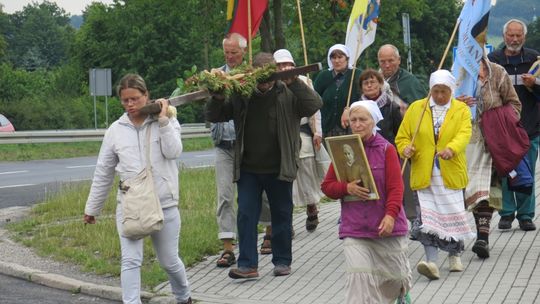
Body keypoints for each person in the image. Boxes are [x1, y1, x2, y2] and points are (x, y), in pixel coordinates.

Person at [206, 52, 322, 279]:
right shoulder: (242, 93)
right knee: (246, 215)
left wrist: (294, 82)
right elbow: (215, 115)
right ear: (252, 74)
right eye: (260, 76)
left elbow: (314, 104)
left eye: (270, 75)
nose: (265, 81)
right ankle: (248, 265)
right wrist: (218, 96)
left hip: (280, 166)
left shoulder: (287, 92)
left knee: (281, 214)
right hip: (249, 168)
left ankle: (282, 261)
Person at [83, 74, 191, 304]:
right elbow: (104, 171)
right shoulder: (115, 130)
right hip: (131, 205)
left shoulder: (168, 120)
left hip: (164, 203)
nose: (130, 105)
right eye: (125, 100)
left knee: (169, 261)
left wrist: (162, 121)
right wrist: (92, 208)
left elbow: (174, 152)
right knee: (130, 260)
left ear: (146, 95)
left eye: (135, 99)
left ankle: (184, 297)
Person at [321, 100, 411, 304]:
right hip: (355, 228)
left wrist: (390, 216)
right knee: (358, 280)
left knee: (394, 279)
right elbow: (327, 187)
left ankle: (399, 295)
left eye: (363, 119)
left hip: (386, 226)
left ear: (374, 121)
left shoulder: (386, 149)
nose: (357, 124)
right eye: (353, 120)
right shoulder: (342, 149)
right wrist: (347, 188)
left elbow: (396, 188)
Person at [395, 70, 475, 280]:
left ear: (452, 90)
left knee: (452, 214)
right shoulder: (416, 109)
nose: (439, 96)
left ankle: (454, 253)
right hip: (424, 173)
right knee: (427, 217)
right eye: (436, 91)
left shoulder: (461, 110)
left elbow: (464, 134)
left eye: (444, 91)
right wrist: (405, 149)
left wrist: (452, 148)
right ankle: (431, 261)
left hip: (450, 171)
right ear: (430, 90)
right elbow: (402, 137)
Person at [458, 58, 521, 259]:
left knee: (489, 187)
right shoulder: (458, 73)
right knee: (470, 188)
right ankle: (460, 236)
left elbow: (514, 104)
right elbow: (441, 103)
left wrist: (499, 122)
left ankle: (482, 238)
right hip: (465, 143)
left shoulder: (498, 72)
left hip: (493, 141)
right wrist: (457, 105)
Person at [488, 19, 540, 232]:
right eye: (511, 35)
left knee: (526, 173)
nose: (514, 39)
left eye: (518, 35)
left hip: (529, 127)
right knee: (504, 171)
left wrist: (535, 84)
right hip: (501, 129)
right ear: (504, 36)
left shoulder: (535, 59)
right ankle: (506, 214)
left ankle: (526, 216)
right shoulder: (493, 60)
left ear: (524, 37)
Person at [314, 44, 361, 138]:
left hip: (351, 127)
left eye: (340, 57)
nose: (337, 61)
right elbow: (314, 100)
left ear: (347, 58)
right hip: (327, 127)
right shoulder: (323, 76)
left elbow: (364, 99)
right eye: (333, 57)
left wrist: (350, 109)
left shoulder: (357, 75)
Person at [377, 44, 426, 112]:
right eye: (382, 61)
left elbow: (420, 110)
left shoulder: (410, 82)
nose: (387, 65)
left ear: (399, 60)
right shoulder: (373, 81)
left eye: (391, 61)